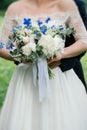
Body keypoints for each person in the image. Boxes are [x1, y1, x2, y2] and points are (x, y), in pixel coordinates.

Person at [0, 0, 87, 130]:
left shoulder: (69, 5)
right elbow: (2, 45)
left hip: (60, 77)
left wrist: (61, 54)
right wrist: (21, 55)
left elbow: (83, 40)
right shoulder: (15, 8)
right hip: (27, 79)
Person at [59, 0, 87, 89]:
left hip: (68, 69)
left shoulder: (76, 3)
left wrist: (61, 60)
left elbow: (84, 40)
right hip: (30, 70)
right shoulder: (27, 6)